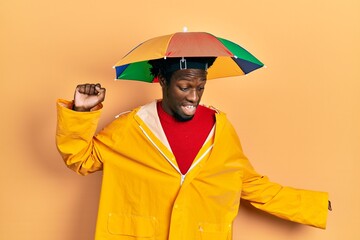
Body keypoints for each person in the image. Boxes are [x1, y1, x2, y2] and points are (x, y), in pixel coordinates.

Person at [56, 57, 331, 240]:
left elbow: (249, 183)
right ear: (163, 81)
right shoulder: (131, 126)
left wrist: (310, 206)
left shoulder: (219, 128)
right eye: (185, 86)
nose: (193, 96)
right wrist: (81, 112)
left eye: (200, 87)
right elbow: (81, 160)